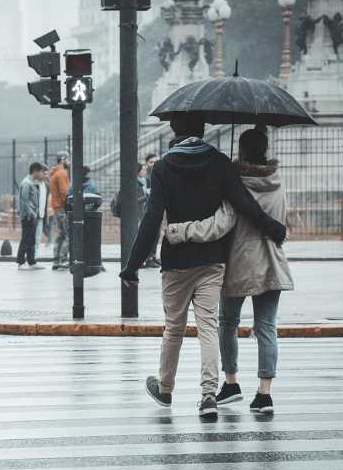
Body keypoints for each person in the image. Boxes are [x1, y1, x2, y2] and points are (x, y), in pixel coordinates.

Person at [119, 114, 286, 420]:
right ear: (204, 129)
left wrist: (132, 265)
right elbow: (243, 203)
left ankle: (166, 388)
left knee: (174, 328)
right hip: (212, 260)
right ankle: (208, 395)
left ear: (174, 130)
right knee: (208, 326)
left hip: (176, 261)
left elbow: (152, 218)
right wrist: (272, 226)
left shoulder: (163, 167)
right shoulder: (221, 163)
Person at [166, 128, 294, 414]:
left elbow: (222, 223)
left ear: (242, 151)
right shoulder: (277, 180)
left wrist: (183, 231)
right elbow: (282, 218)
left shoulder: (235, 183)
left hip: (239, 260)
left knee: (227, 323)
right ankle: (264, 394)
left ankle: (231, 382)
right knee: (266, 328)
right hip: (272, 260)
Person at [17, 162, 46, 270]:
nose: (42, 174)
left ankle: (32, 261)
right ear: (35, 171)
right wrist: (31, 214)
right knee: (26, 239)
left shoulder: (32, 182)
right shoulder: (26, 183)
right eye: (41, 172)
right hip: (28, 216)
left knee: (32, 240)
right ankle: (21, 262)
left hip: (32, 216)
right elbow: (24, 201)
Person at [50, 154, 71, 270]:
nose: (69, 162)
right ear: (63, 160)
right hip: (63, 208)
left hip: (57, 208)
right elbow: (65, 193)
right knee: (69, 234)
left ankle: (56, 260)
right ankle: (63, 260)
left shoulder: (54, 173)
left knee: (61, 234)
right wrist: (70, 206)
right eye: (68, 159)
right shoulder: (62, 173)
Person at [144, 153, 161, 268]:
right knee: (151, 234)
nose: (154, 164)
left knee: (157, 234)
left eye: (155, 161)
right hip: (148, 208)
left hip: (157, 206)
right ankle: (149, 258)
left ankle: (153, 256)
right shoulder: (146, 176)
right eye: (151, 162)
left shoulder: (158, 173)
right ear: (147, 163)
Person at [34, 164, 50, 255]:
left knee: (37, 238)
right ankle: (28, 259)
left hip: (42, 215)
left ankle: (34, 258)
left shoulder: (46, 185)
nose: (46, 176)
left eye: (48, 174)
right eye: (45, 174)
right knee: (31, 239)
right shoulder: (34, 185)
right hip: (34, 215)